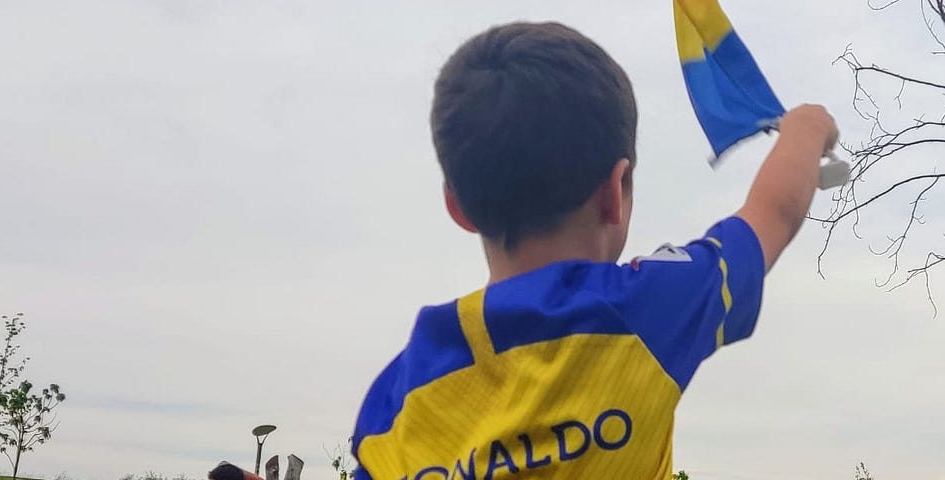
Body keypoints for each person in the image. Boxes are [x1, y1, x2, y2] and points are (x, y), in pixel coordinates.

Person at [348, 21, 839, 480]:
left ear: (459, 207)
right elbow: (772, 213)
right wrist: (806, 128)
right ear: (614, 189)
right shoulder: (642, 311)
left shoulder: (394, 400)